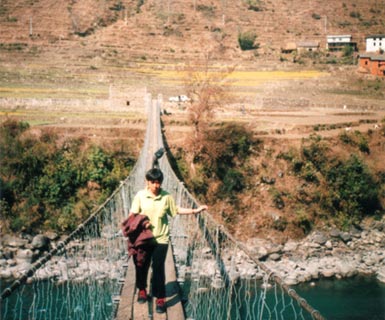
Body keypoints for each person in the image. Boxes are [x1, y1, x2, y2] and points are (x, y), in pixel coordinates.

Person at [128, 167, 207, 314]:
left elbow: (175, 210)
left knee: (158, 269)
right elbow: (132, 214)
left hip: (161, 239)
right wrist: (142, 223)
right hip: (143, 238)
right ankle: (142, 290)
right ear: (147, 182)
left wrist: (194, 211)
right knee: (141, 265)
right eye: (153, 182)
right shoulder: (140, 196)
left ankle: (160, 298)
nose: (156, 186)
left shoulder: (166, 197)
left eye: (158, 182)